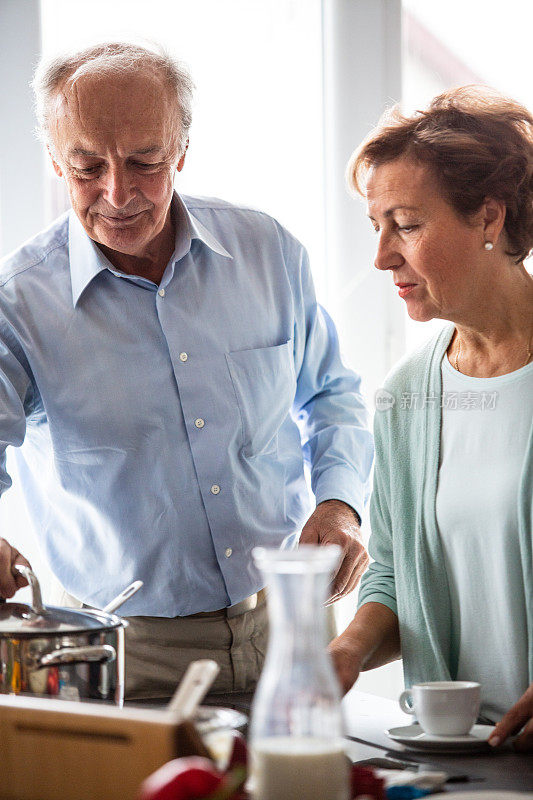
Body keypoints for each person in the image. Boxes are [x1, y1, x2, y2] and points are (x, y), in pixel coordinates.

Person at [0, 42, 373, 700]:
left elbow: (332, 397)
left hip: (292, 629)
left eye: (144, 162)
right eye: (87, 167)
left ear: (181, 151)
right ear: (56, 160)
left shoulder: (267, 251)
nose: (117, 194)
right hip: (122, 653)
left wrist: (340, 505)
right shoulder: (18, 301)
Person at [330, 86, 533, 751]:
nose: (382, 256)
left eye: (406, 224)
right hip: (464, 758)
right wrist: (346, 652)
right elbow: (392, 573)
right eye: (376, 227)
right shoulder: (406, 394)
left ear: (487, 219)